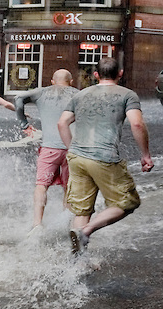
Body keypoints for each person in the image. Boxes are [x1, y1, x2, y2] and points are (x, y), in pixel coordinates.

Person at [57, 57, 154, 255]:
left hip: (76, 156)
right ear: (120, 73)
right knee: (127, 202)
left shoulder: (80, 95)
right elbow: (137, 124)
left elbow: (62, 123)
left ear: (95, 75)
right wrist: (145, 154)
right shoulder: (128, 94)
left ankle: (76, 262)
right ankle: (87, 230)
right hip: (104, 156)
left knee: (82, 210)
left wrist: (72, 149)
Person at [14, 69, 78, 235]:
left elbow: (18, 98)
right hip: (71, 148)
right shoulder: (78, 94)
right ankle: (67, 224)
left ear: (52, 81)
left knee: (41, 185)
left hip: (49, 149)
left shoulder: (42, 92)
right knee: (69, 187)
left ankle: (37, 225)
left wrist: (23, 123)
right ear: (71, 82)